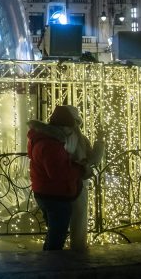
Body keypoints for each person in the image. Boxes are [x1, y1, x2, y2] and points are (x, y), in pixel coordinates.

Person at [27, 105, 85, 251]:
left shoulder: (43, 139)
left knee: (55, 231)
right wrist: (80, 169)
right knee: (57, 236)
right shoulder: (51, 144)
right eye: (72, 126)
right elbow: (58, 173)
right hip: (55, 195)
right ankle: (51, 266)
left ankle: (50, 262)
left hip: (46, 192)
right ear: (65, 127)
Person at [63, 106, 104, 251]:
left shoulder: (55, 136)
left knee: (60, 220)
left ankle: (57, 251)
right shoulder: (79, 139)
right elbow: (94, 159)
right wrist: (100, 142)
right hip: (77, 182)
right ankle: (77, 247)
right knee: (78, 217)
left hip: (59, 183)